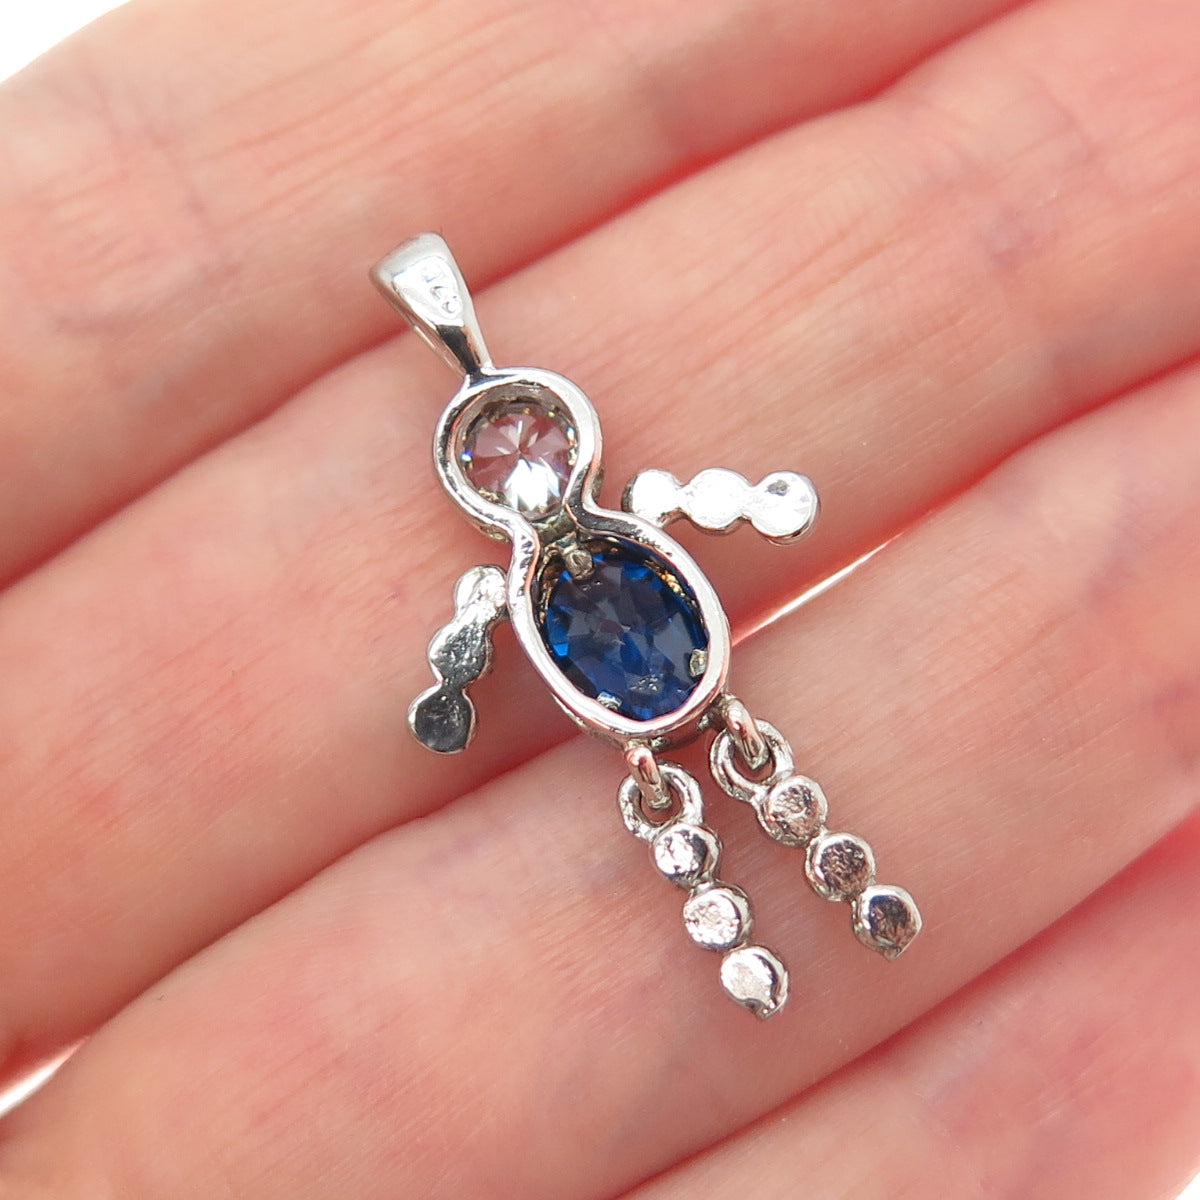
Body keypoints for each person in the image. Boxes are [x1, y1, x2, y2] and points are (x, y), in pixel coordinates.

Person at [0, 0, 1198, 1194]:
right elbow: (476, 637)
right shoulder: (520, 569)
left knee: (772, 782)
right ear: (477, 473)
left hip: (684, 672)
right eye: (497, 462)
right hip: (631, 701)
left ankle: (854, 893)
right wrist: (452, 688)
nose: (523, 472)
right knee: (687, 839)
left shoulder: (598, 527)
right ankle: (746, 945)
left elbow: (703, 506)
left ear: (558, 437)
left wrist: (760, 504)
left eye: (527, 446)